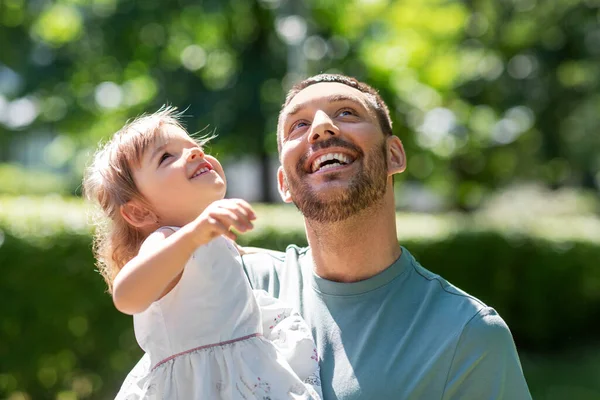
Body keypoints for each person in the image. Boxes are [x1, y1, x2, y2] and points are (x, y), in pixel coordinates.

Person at [121, 74, 532, 399]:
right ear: (284, 182)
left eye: (347, 113)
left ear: (394, 155)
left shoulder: (469, 335)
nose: (320, 127)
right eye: (299, 124)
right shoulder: (229, 281)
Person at [83, 107, 322, 399]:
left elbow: (238, 259)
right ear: (139, 211)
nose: (196, 153)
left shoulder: (207, 240)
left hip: (243, 376)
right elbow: (127, 296)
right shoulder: (167, 240)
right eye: (166, 157)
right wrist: (194, 235)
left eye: (195, 147)